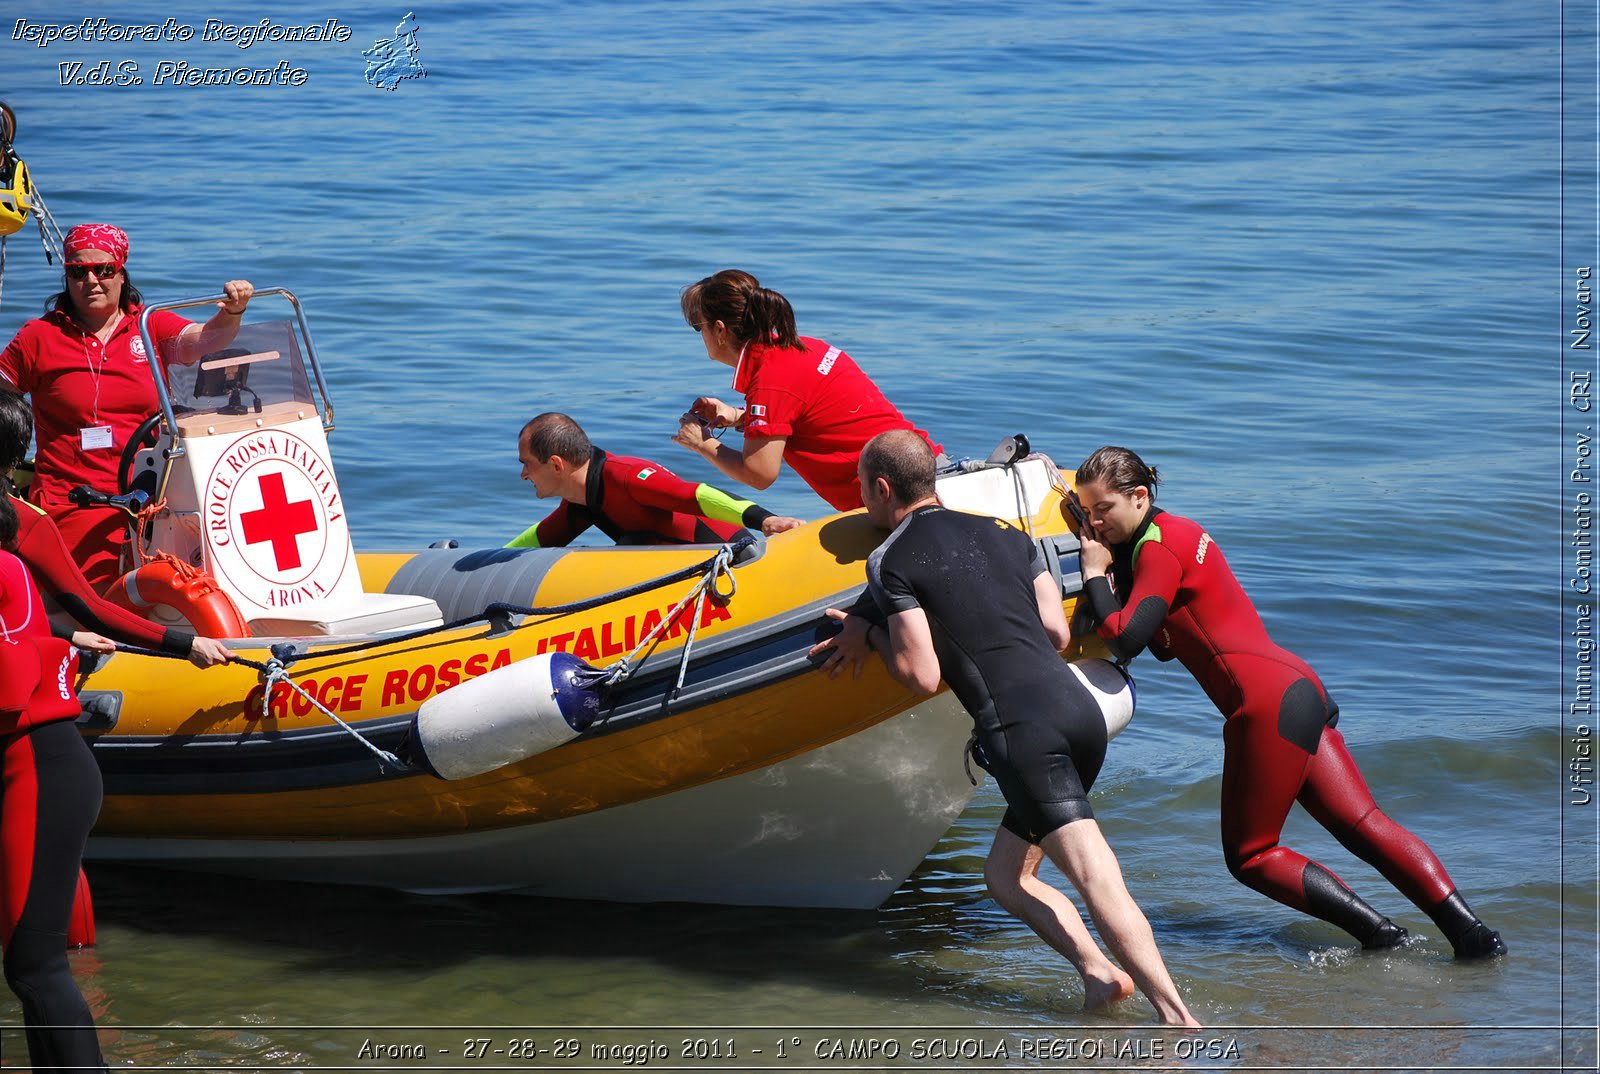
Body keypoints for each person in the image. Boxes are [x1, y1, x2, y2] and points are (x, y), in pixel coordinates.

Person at [808, 430, 1200, 1026]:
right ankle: (1101, 977)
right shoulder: (1006, 535)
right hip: (1079, 713)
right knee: (1006, 876)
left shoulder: (890, 560)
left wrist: (872, 633)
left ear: (882, 489)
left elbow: (919, 674)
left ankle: (1179, 1023)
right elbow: (1058, 636)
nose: (864, 504)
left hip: (1022, 735)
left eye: (863, 492)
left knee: (1097, 878)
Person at [1073, 445, 1506, 958]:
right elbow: (1172, 641)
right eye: (1088, 512)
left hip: (1264, 703)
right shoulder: (1183, 533)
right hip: (1297, 685)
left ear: (1140, 496)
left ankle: (1380, 936)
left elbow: (1126, 639)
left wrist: (1095, 572)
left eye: (1104, 510)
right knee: (1365, 826)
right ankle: (1473, 937)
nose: (1096, 523)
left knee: (1251, 854)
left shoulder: (1158, 548)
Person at [0, 223, 255, 592]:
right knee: (90, 604)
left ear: (121, 273)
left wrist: (232, 312)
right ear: (67, 276)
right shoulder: (39, 336)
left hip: (148, 499)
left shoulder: (150, 326)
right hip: (68, 500)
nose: (91, 280)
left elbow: (204, 341)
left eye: (103, 270)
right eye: (78, 271)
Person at [672, 269, 942, 512]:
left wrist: (702, 442)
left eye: (700, 327)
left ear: (720, 330)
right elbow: (811, 412)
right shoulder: (806, 347)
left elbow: (759, 474)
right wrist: (740, 416)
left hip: (907, 499)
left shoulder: (769, 381)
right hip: (930, 469)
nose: (701, 335)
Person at [0, 392, 233, 668]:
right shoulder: (25, 520)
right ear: (18, 453)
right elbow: (92, 610)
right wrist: (188, 644)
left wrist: (68, 634)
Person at [0, 491, 108, 1072]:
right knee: (28, 972)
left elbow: (12, 680)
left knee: (35, 969)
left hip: (40, 770)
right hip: (27, 769)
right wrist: (62, 642)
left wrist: (55, 645)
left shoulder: (5, 564)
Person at [507, 412, 804, 548]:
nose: (523, 475)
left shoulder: (626, 476)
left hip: (734, 559)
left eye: (527, 465)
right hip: (684, 575)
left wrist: (766, 521)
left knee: (630, 544)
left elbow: (697, 495)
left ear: (556, 464)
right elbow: (540, 538)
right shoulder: (581, 500)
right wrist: (475, 564)